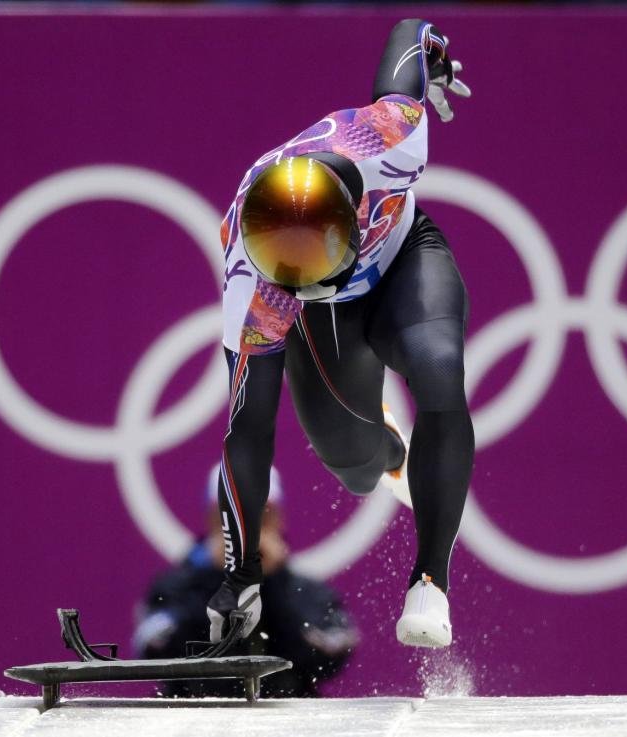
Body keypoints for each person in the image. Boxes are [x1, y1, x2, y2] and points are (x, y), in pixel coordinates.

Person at [211, 18, 474, 649]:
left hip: (405, 259)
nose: (300, 283)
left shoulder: (392, 137)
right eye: (289, 276)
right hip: (327, 323)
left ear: (351, 223)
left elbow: (411, 29)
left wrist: (433, 56)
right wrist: (240, 574)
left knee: (438, 367)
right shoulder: (254, 286)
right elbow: (247, 433)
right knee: (356, 471)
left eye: (314, 268)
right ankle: (387, 446)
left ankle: (430, 582)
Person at [134, 464, 358, 698]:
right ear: (211, 520)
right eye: (230, 515)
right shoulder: (173, 589)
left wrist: (271, 583)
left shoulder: (309, 592)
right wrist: (220, 581)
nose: (246, 530)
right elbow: (157, 655)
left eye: (261, 514)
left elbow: (326, 661)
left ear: (279, 520)